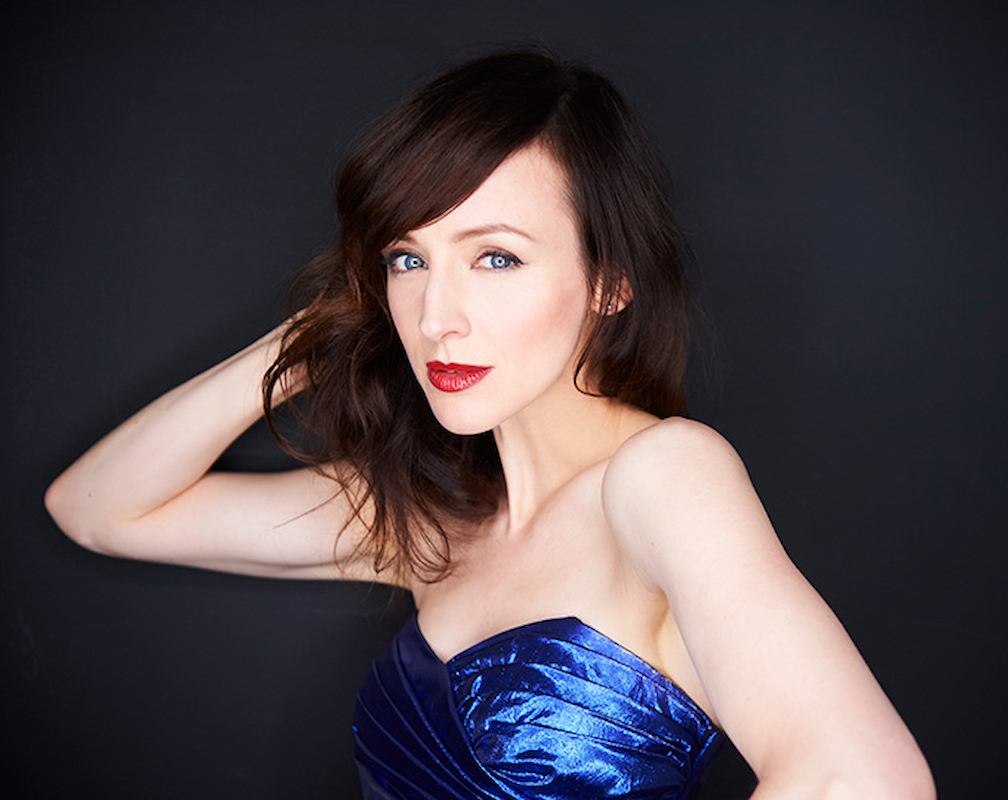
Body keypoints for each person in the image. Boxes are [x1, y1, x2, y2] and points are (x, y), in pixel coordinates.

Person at [43, 45, 935, 800]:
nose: (438, 317)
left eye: (496, 257)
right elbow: (99, 509)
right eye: (407, 258)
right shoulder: (429, 520)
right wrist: (314, 337)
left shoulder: (663, 477)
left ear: (608, 282)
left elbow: (864, 778)